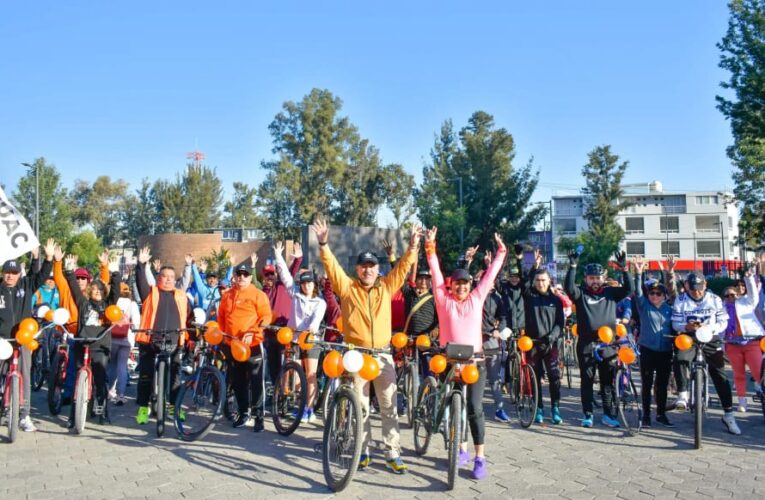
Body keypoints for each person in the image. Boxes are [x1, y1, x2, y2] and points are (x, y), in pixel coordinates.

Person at [312, 218, 421, 474]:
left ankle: (393, 451)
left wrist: (413, 246)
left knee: (388, 405)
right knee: (359, 406)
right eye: (363, 266)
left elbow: (403, 268)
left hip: (383, 355)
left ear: (377, 269)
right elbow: (332, 267)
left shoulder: (386, 287)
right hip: (356, 356)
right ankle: (363, 450)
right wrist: (324, 244)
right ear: (357, 269)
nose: (368, 270)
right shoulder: (347, 288)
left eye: (372, 266)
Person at [425, 227, 506, 480]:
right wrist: (430, 247)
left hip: (475, 363)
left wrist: (501, 252)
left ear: (470, 285)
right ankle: (460, 448)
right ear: (452, 285)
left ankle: (479, 457)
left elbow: (490, 276)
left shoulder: (476, 298)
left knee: (473, 408)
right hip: (449, 362)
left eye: (465, 283)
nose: (461, 286)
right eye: (457, 283)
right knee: (453, 406)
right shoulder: (443, 299)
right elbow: (436, 274)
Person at [564, 250, 634, 428]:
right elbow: (568, 289)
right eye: (591, 278)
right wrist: (572, 266)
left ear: (603, 277)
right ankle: (587, 414)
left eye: (598, 278)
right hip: (587, 344)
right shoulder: (580, 294)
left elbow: (630, 289)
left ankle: (608, 415)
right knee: (587, 380)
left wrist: (624, 268)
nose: (595, 281)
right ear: (586, 279)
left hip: (608, 344)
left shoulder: (610, 292)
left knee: (607, 382)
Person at [671, 272, 740, 435]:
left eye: (700, 288)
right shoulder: (680, 300)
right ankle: (683, 394)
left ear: (705, 286)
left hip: (710, 336)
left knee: (720, 375)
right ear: (687, 286)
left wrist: (710, 328)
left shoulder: (714, 299)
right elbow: (675, 323)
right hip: (689, 337)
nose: (697, 292)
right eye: (694, 289)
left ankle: (729, 415)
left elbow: (723, 321)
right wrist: (685, 327)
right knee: (680, 358)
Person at [134, 246, 194, 425]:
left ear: (175, 280)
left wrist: (195, 336)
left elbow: (189, 320)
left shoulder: (182, 297)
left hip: (175, 340)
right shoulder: (150, 293)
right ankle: (143, 408)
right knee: (145, 375)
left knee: (175, 376)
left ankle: (173, 407)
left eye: (171, 277)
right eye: (164, 276)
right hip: (150, 339)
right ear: (158, 278)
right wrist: (140, 264)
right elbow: (140, 281)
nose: (167, 280)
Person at [0, 239, 54, 432]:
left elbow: (39, 275)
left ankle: (24, 415)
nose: (10, 276)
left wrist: (44, 257)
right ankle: (3, 408)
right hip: (3, 342)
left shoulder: (26, 285)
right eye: (7, 272)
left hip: (23, 340)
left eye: (14, 273)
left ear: (18, 274)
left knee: (24, 375)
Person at [61, 253, 121, 425]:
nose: (97, 292)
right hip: (83, 343)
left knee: (100, 380)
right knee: (77, 378)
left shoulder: (108, 304)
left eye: (100, 290)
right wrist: (70, 270)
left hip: (100, 346)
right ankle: (74, 416)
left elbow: (115, 290)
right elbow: (73, 287)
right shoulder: (83, 303)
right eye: (94, 290)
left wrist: (114, 272)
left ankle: (102, 412)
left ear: (104, 292)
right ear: (89, 291)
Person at [273, 241, 326, 423]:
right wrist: (279, 255)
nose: (306, 286)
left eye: (309, 283)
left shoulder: (320, 302)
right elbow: (286, 276)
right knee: (296, 374)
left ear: (314, 284)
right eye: (303, 283)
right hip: (294, 339)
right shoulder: (295, 294)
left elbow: (316, 319)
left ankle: (309, 409)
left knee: (310, 374)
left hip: (311, 339)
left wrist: (311, 329)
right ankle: (299, 404)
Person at [217, 259, 272, 431]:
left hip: (253, 344)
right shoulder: (227, 295)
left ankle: (259, 417)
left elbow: (266, 317)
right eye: (239, 274)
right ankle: (243, 413)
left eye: (245, 274)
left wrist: (253, 331)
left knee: (256, 381)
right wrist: (222, 338)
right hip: (232, 345)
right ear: (234, 276)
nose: (241, 277)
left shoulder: (258, 294)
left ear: (250, 277)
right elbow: (221, 320)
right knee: (238, 381)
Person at [632, 256, 675, 427]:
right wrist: (638, 272)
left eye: (658, 293)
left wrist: (669, 272)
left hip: (665, 351)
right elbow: (638, 290)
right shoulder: (644, 306)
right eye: (652, 293)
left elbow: (674, 291)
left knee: (662, 385)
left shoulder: (670, 309)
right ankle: (647, 415)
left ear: (664, 296)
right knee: (647, 384)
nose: (655, 296)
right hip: (648, 350)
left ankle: (661, 414)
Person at [524, 250, 565, 425]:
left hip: (551, 344)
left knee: (555, 376)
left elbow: (560, 322)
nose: (540, 283)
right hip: (533, 344)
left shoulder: (555, 300)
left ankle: (555, 407)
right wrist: (535, 267)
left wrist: (552, 336)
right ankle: (538, 407)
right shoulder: (529, 296)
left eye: (543, 280)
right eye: (538, 280)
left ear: (549, 282)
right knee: (535, 378)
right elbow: (524, 283)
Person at [721, 264, 765, 413]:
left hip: (751, 341)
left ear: (737, 295)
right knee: (738, 374)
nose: (730, 298)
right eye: (727, 296)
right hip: (732, 344)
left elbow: (754, 295)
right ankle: (742, 401)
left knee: (758, 372)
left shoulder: (745, 302)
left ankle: (762, 392)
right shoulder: (722, 308)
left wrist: (749, 278)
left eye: (732, 295)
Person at [107, 282, 141, 406]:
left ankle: (110, 391)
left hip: (111, 338)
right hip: (126, 339)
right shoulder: (132, 304)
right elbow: (137, 323)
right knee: (122, 366)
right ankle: (121, 395)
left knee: (112, 365)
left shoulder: (113, 302)